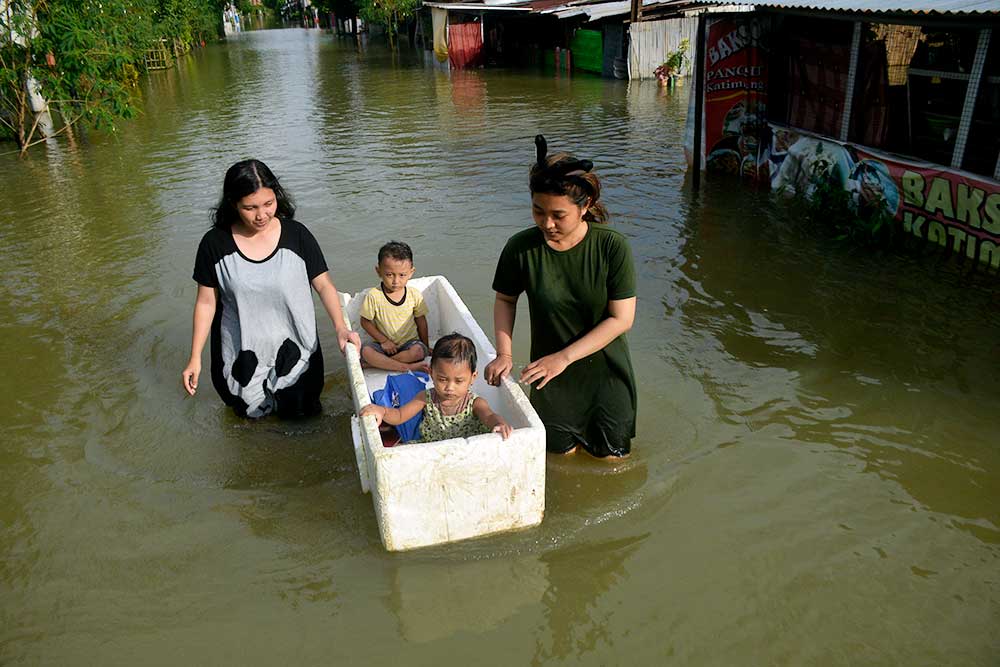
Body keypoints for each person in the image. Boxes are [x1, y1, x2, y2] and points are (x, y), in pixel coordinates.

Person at [484, 135, 637, 458]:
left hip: (606, 378)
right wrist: (504, 353)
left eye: (558, 215)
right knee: (559, 462)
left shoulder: (612, 247)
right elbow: (505, 300)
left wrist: (564, 358)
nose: (547, 223)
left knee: (612, 464)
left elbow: (621, 319)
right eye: (538, 211)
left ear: (586, 207)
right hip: (548, 378)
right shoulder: (521, 248)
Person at [181, 159, 360, 418]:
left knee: (304, 422)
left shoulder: (297, 236)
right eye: (250, 208)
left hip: (297, 352)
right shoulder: (214, 244)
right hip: (241, 357)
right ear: (233, 204)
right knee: (249, 429)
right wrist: (194, 357)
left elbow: (323, 284)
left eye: (268, 204)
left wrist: (341, 327)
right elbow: (206, 302)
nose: (261, 215)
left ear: (277, 195)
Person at [360, 333, 512, 442]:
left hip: (465, 452)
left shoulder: (475, 403)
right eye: (442, 379)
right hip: (432, 450)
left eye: (459, 381)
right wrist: (382, 410)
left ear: (472, 378)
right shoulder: (425, 398)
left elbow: (489, 416)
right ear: (431, 373)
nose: (449, 387)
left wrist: (499, 423)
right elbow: (399, 415)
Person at [359, 241, 431, 373]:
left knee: (418, 351)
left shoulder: (414, 294)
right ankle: (407, 367)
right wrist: (384, 341)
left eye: (402, 275)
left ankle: (379, 364)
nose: (396, 281)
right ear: (378, 271)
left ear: (411, 272)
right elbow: (365, 322)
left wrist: (426, 346)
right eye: (389, 275)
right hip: (384, 346)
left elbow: (421, 322)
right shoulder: (374, 296)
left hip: (409, 344)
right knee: (366, 351)